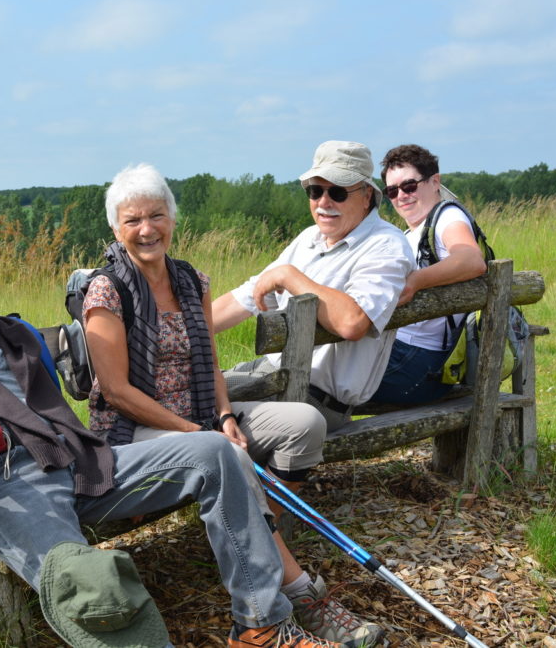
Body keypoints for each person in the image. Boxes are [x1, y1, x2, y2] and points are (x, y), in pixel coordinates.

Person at [0, 230, 338, 648]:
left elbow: (99, 352)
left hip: (82, 460)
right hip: (10, 488)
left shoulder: (18, 336)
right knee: (86, 578)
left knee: (216, 451)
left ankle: (260, 624)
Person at [83, 163, 381, 648]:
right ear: (116, 228)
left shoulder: (190, 282)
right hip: (134, 430)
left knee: (303, 423)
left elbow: (211, 363)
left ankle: (259, 536)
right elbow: (116, 392)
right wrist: (193, 431)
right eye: (132, 220)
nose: (146, 229)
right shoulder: (106, 290)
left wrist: (223, 416)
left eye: (156, 215)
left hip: (201, 416)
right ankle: (292, 597)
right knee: (228, 456)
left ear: (173, 220)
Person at [212, 141, 415, 430]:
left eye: (338, 192)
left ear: (367, 195)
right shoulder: (310, 238)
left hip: (314, 399)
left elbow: (353, 322)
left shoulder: (386, 245)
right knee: (186, 391)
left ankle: (263, 475)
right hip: (273, 372)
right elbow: (247, 296)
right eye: (315, 190)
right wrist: (178, 331)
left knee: (200, 410)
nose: (323, 202)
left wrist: (292, 278)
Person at [369, 144, 487, 404]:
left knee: (321, 381)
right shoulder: (410, 234)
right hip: (402, 353)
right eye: (392, 190)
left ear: (434, 182)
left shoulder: (447, 216)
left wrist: (415, 281)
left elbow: (471, 259)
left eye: (409, 186)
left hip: (421, 363)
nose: (401, 195)